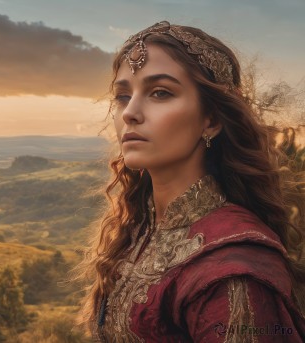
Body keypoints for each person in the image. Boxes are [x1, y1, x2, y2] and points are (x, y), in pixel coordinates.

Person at [75, 21, 305, 342]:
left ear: (211, 120)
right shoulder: (140, 227)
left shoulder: (232, 272)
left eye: (160, 93)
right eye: (123, 96)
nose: (130, 113)